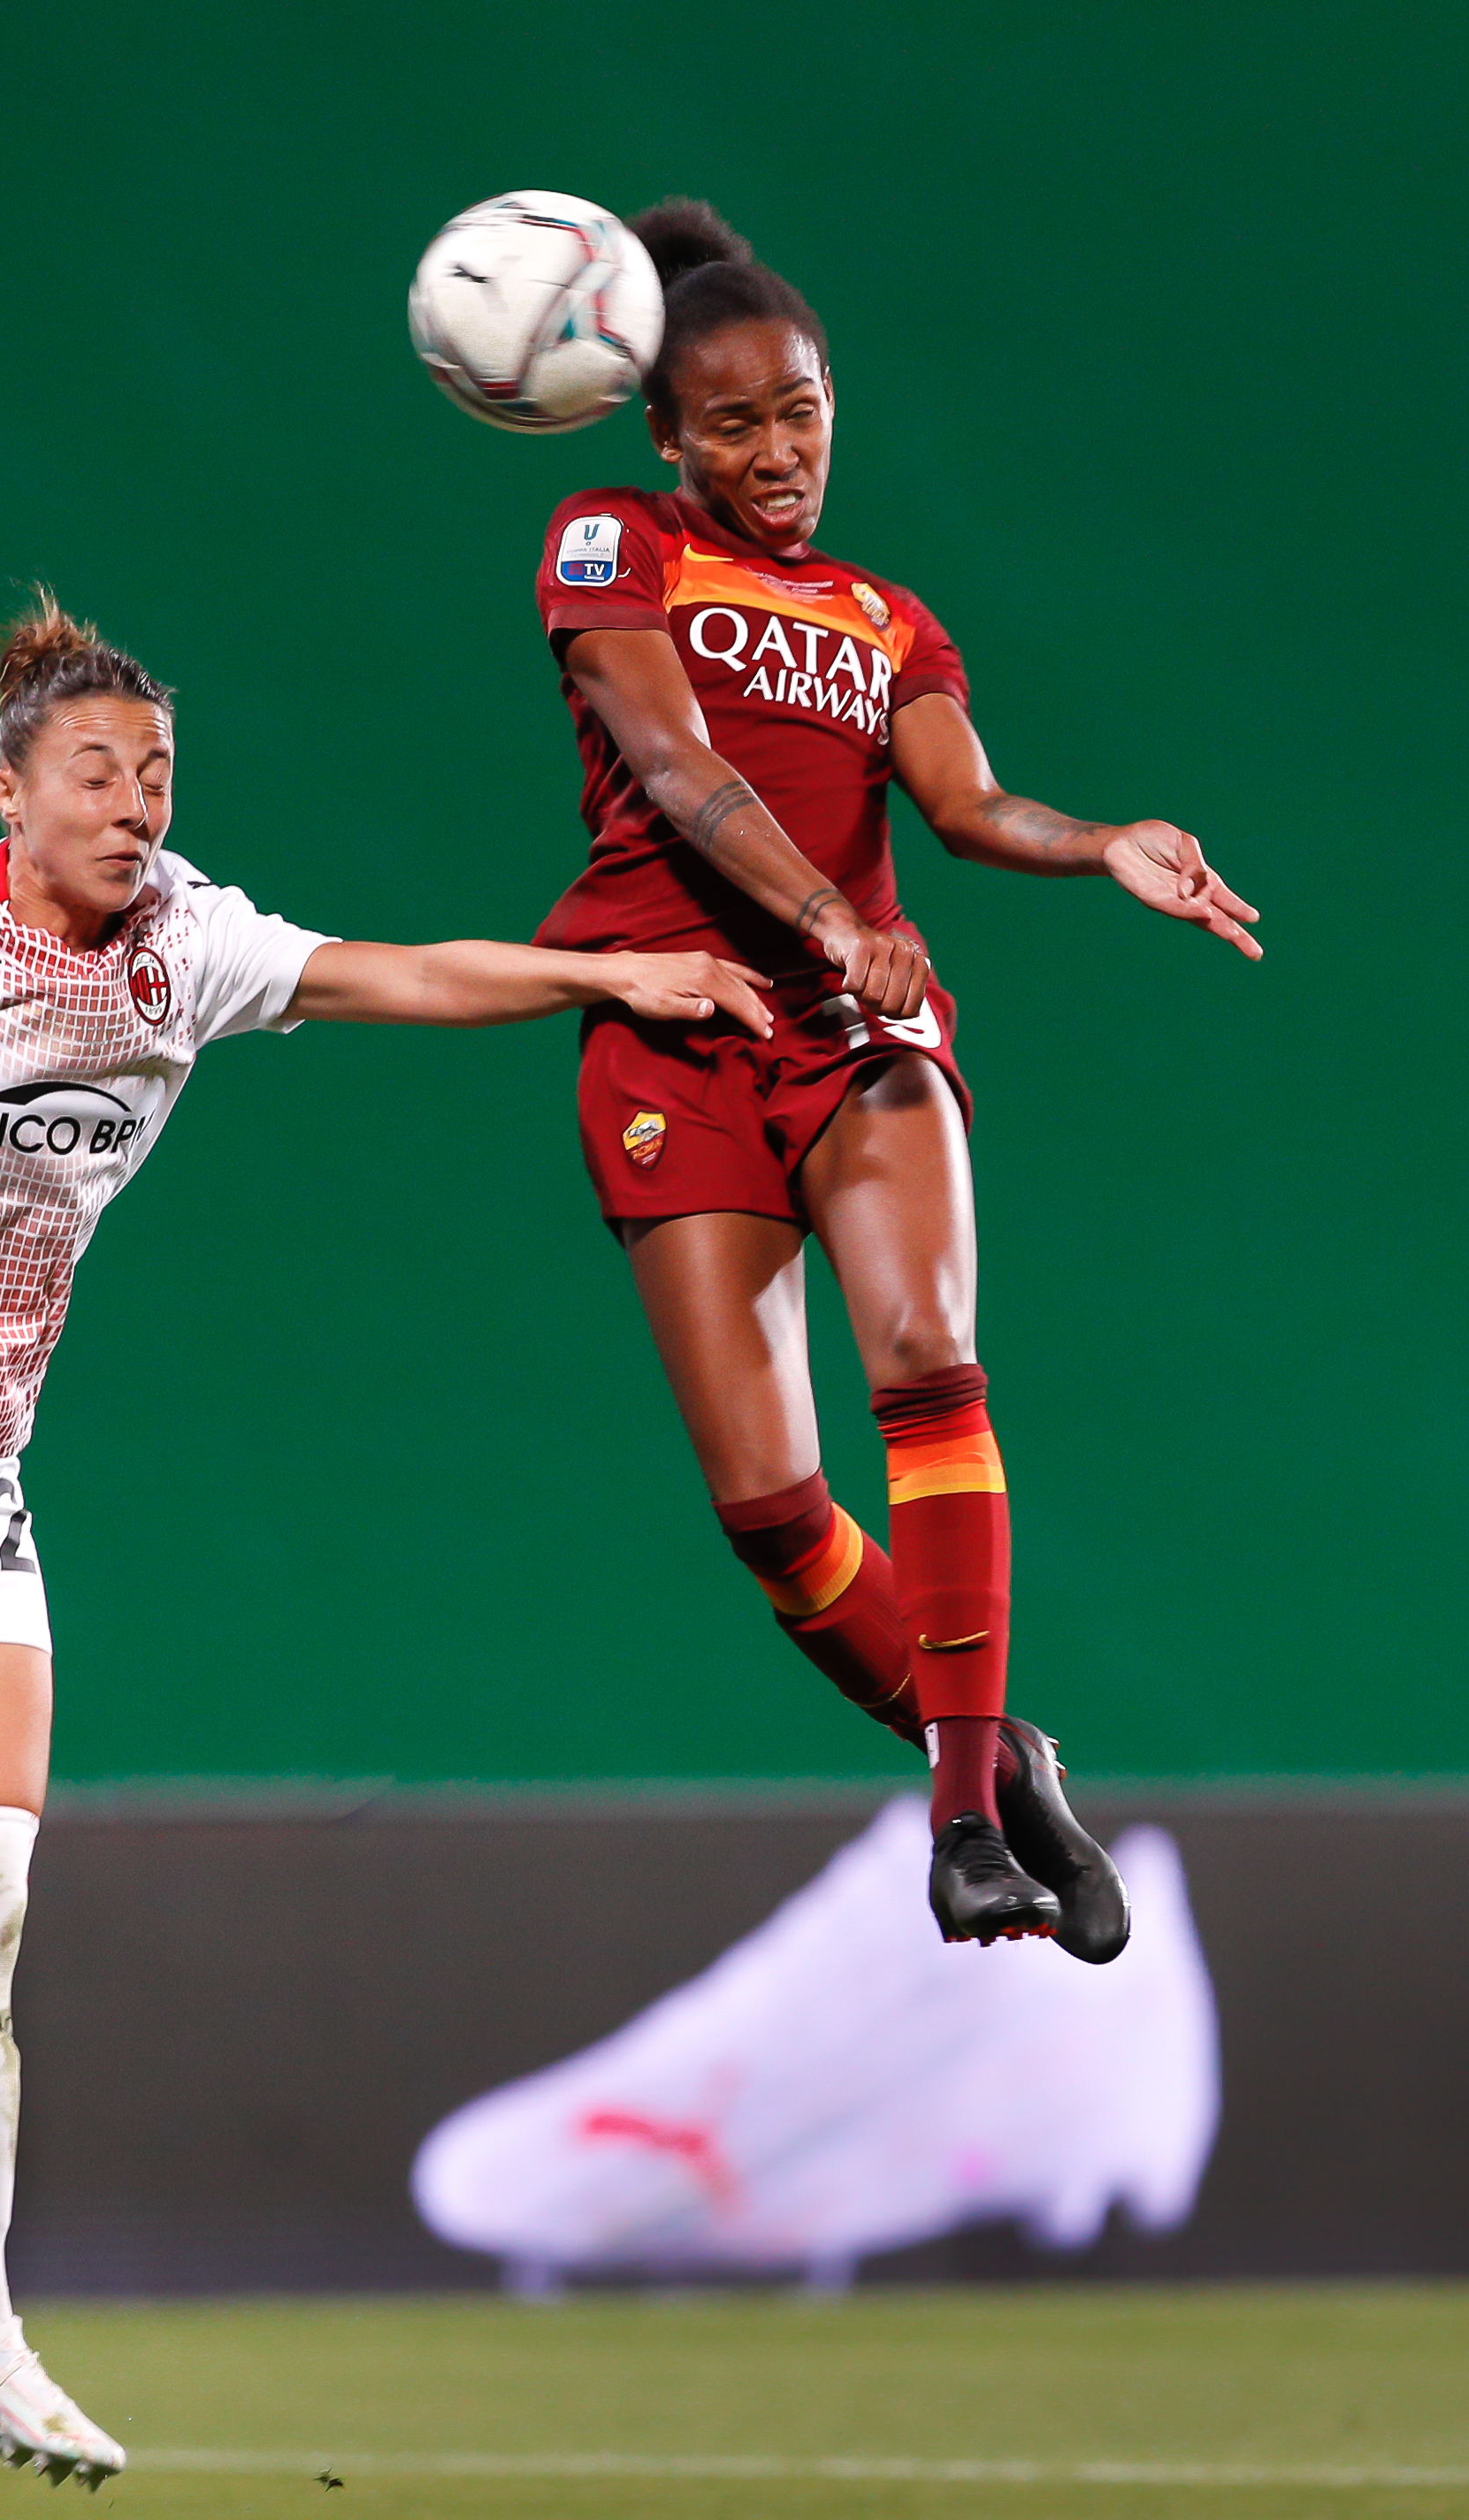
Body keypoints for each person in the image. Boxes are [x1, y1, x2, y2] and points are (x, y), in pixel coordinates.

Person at [0, 593, 766, 2486]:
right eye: (94, 774)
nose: (132, 804)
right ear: (10, 790)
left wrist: (608, 981)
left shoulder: (189, 951)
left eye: (154, 773)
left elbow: (404, 973)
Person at [526, 200, 1262, 1956]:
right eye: (730, 424)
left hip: (863, 1028)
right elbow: (675, 763)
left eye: (799, 413)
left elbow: (959, 805)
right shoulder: (607, 544)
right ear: (662, 434)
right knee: (771, 1516)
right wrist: (813, 913)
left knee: (927, 1367)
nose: (774, 455)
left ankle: (954, 1830)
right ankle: (1004, 1757)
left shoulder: (885, 619)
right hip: (675, 1024)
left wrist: (1096, 845)